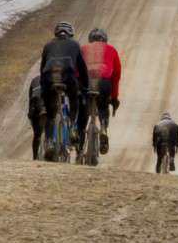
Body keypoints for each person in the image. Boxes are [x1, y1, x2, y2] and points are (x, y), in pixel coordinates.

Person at [37, 21, 89, 153]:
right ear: (70, 33)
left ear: (56, 33)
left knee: (50, 115)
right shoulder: (75, 44)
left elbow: (42, 69)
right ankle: (71, 127)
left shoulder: (48, 45)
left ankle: (49, 142)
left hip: (49, 78)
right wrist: (85, 86)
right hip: (67, 78)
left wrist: (43, 89)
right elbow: (82, 68)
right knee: (74, 99)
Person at [81, 26, 122, 154]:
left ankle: (78, 134)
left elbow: (76, 69)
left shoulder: (83, 48)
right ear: (105, 39)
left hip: (87, 81)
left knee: (83, 111)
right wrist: (114, 97)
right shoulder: (112, 49)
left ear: (90, 39)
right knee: (103, 107)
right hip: (104, 82)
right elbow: (116, 76)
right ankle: (103, 127)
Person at [27, 73, 46, 160]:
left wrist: (30, 114)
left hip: (34, 106)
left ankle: (34, 157)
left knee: (37, 134)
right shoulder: (51, 78)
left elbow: (30, 98)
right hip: (44, 105)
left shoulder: (34, 80)